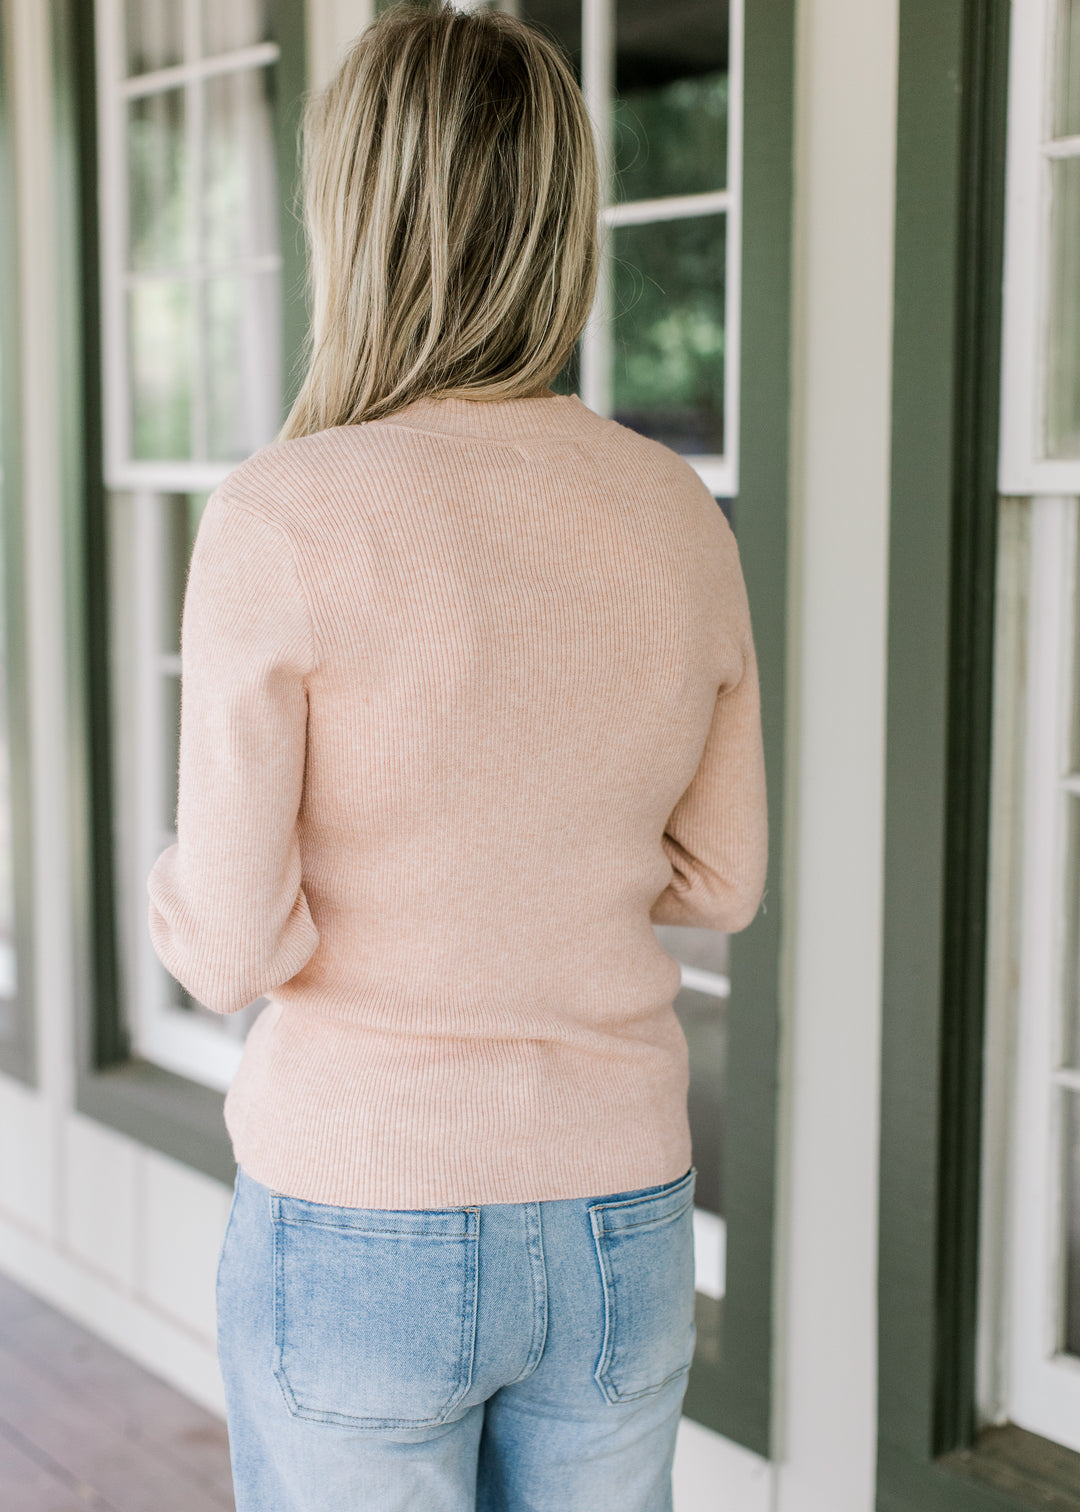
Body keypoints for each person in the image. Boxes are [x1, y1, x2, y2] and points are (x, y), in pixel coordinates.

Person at [146, 4, 768, 1509]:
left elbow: (224, 950)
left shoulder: (281, 514)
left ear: (350, 218)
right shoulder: (674, 510)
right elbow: (725, 877)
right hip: (620, 1212)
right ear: (566, 224)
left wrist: (260, 900)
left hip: (360, 1212)